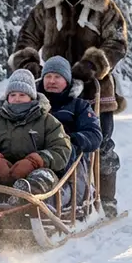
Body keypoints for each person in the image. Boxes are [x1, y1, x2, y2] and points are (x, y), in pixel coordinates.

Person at [7, 0, 128, 216]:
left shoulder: (104, 7)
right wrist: (31, 67)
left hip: (94, 88)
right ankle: (52, 195)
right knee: (46, 142)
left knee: (101, 144)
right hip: (52, 89)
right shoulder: (47, 8)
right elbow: (26, 38)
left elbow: (117, 42)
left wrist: (90, 67)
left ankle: (106, 199)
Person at [0, 69, 72, 203]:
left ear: (31, 97)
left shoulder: (48, 122)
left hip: (34, 174)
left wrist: (34, 162)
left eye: (22, 94)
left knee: (42, 177)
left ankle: (19, 208)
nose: (17, 99)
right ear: (7, 97)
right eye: (13, 94)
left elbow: (61, 150)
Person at [37, 56, 103, 208]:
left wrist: (69, 141)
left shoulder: (79, 106)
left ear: (67, 80)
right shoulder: (31, 102)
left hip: (69, 166)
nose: (51, 81)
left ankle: (49, 202)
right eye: (48, 76)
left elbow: (94, 135)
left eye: (57, 77)